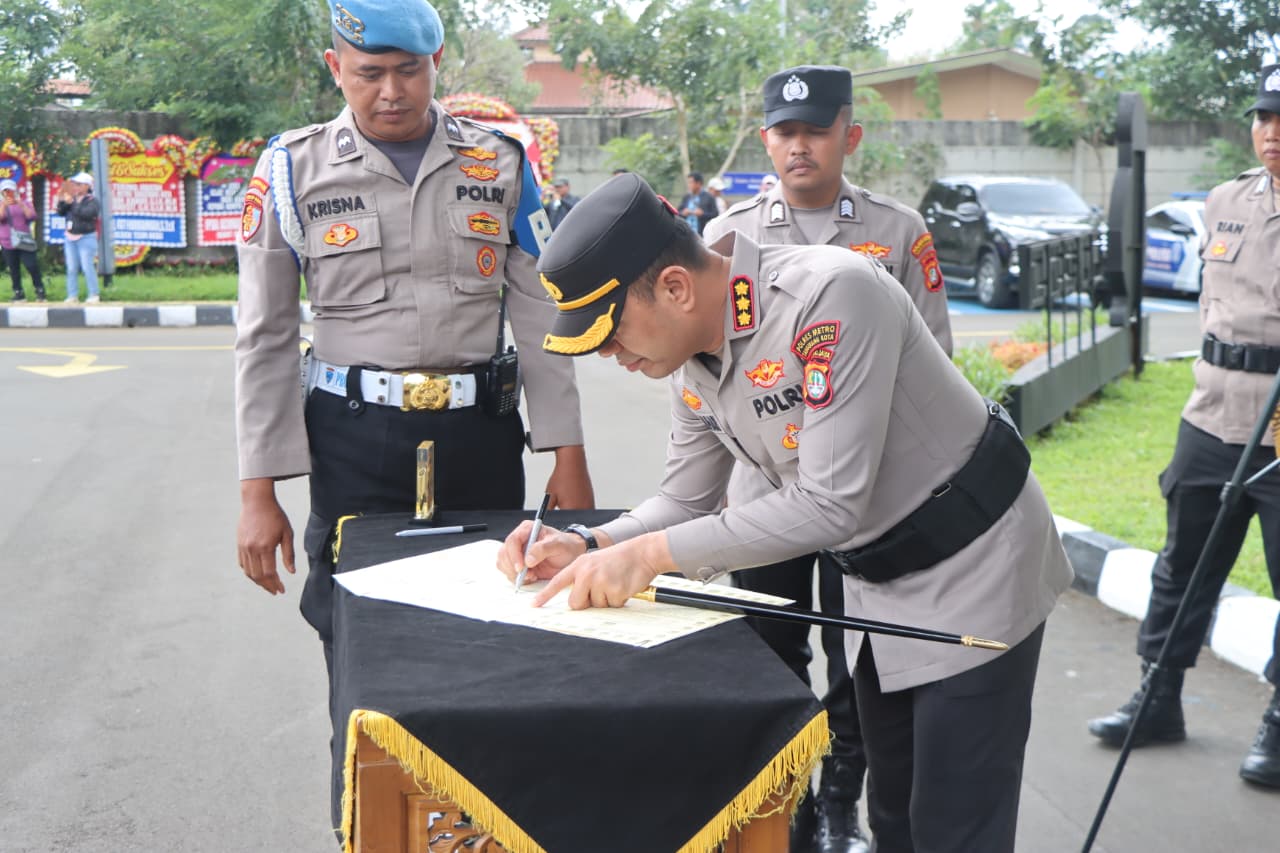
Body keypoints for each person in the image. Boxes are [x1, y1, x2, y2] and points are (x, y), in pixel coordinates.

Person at [500, 172, 1073, 852]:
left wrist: (648, 557)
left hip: (972, 567)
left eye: (611, 329)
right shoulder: (691, 356)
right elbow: (685, 497)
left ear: (676, 288)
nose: (608, 353)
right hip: (876, 585)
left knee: (955, 825)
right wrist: (591, 541)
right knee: (896, 818)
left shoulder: (831, 296)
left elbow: (828, 503)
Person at [233, 0, 596, 727]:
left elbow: (540, 317)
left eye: (409, 71)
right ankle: (368, 823)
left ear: (436, 67)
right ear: (337, 69)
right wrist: (257, 489)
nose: (391, 92)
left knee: (494, 631)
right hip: (354, 441)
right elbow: (264, 335)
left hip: (480, 437)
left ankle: (478, 825)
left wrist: (569, 453)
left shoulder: (499, 162)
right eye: (370, 74)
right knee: (363, 643)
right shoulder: (290, 169)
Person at [702, 65, 954, 853]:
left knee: (859, 660)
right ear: (766, 137)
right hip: (765, 492)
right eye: (784, 130)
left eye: (815, 130)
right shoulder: (726, 237)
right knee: (771, 648)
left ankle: (843, 796)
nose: (798, 145)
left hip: (870, 497)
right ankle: (788, 798)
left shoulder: (898, 229)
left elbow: (937, 366)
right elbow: (705, 384)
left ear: (850, 134)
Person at [1087, 62, 1280, 789]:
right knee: (1184, 563)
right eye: (1264, 116)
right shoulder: (1226, 201)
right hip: (1209, 412)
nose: (1271, 132)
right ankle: (1159, 693)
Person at [56, 172, 100, 304]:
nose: (76, 187)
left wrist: (73, 205)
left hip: (86, 237)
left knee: (87, 267)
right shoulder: (72, 199)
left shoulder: (92, 201)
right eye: (75, 184)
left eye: (79, 184)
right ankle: (72, 295)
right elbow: (60, 212)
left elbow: (87, 214)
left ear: (87, 186)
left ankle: (93, 294)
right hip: (70, 237)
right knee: (71, 267)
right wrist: (64, 202)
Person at [0, 178, 46, 303]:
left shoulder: (25, 202)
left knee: (31, 265)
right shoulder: (1, 204)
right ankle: (18, 293)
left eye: (10, 190)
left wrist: (20, 204)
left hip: (24, 241)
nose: (8, 193)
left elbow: (32, 216)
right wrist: (4, 205)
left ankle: (40, 289)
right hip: (7, 242)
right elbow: (1, 218)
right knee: (13, 269)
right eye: (5, 191)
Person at [678, 171, 717, 235]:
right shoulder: (686, 197)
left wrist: (703, 214)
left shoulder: (709, 197)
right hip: (686, 234)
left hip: (702, 235)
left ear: (698, 183)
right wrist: (683, 213)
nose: (689, 185)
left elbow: (715, 215)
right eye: (688, 183)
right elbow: (677, 213)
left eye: (691, 182)